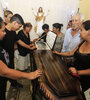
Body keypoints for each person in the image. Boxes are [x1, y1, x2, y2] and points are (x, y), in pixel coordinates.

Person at [0, 17, 42, 100]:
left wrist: (28, 47)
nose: (4, 33)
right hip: (3, 63)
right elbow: (3, 71)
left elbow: (19, 41)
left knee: (4, 85)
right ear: (15, 23)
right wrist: (28, 75)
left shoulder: (13, 33)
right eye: (2, 31)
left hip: (9, 58)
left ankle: (14, 83)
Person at [53, 20, 90, 95]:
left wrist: (78, 72)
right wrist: (59, 53)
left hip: (85, 80)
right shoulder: (82, 42)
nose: (80, 32)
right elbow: (71, 53)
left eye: (81, 30)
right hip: (73, 74)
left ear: (89, 31)